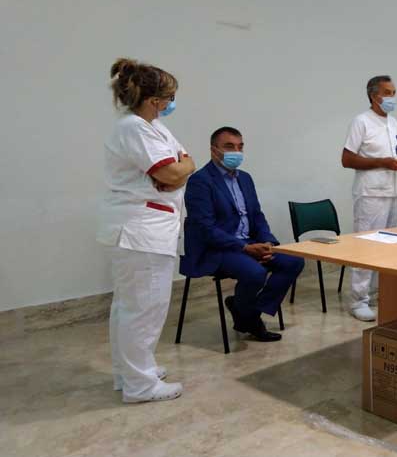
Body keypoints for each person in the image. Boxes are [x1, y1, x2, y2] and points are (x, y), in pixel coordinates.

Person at [98, 58, 195, 403]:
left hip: (145, 229)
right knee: (143, 310)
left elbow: (187, 162)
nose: (171, 104)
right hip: (142, 231)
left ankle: (131, 372)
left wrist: (180, 169)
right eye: (169, 98)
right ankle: (140, 385)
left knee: (131, 307)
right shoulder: (134, 128)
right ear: (155, 100)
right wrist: (177, 171)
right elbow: (171, 173)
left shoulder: (153, 126)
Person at [181, 127, 304, 342]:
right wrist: (245, 248)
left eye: (240, 147)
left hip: (249, 243)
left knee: (294, 261)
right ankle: (251, 320)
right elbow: (205, 228)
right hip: (217, 248)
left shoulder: (245, 178)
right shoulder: (200, 181)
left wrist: (268, 242)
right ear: (214, 150)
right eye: (229, 147)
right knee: (255, 273)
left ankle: (246, 311)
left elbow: (257, 215)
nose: (236, 152)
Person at [342, 75, 397, 321]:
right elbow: (347, 159)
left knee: (388, 247)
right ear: (374, 95)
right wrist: (383, 162)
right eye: (388, 92)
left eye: (394, 92)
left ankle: (379, 294)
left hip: (392, 190)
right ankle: (358, 301)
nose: (393, 97)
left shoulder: (393, 121)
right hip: (370, 193)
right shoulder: (361, 121)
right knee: (366, 246)